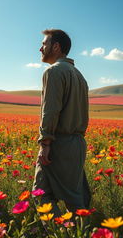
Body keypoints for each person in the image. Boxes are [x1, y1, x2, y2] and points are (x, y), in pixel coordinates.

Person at [32, 29, 91, 217]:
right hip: (77, 145)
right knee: (72, 198)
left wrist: (46, 142)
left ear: (56, 47)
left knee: (42, 195)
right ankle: (77, 230)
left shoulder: (54, 71)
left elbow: (50, 110)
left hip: (59, 144)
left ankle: (64, 232)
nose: (40, 48)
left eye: (44, 44)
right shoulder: (78, 75)